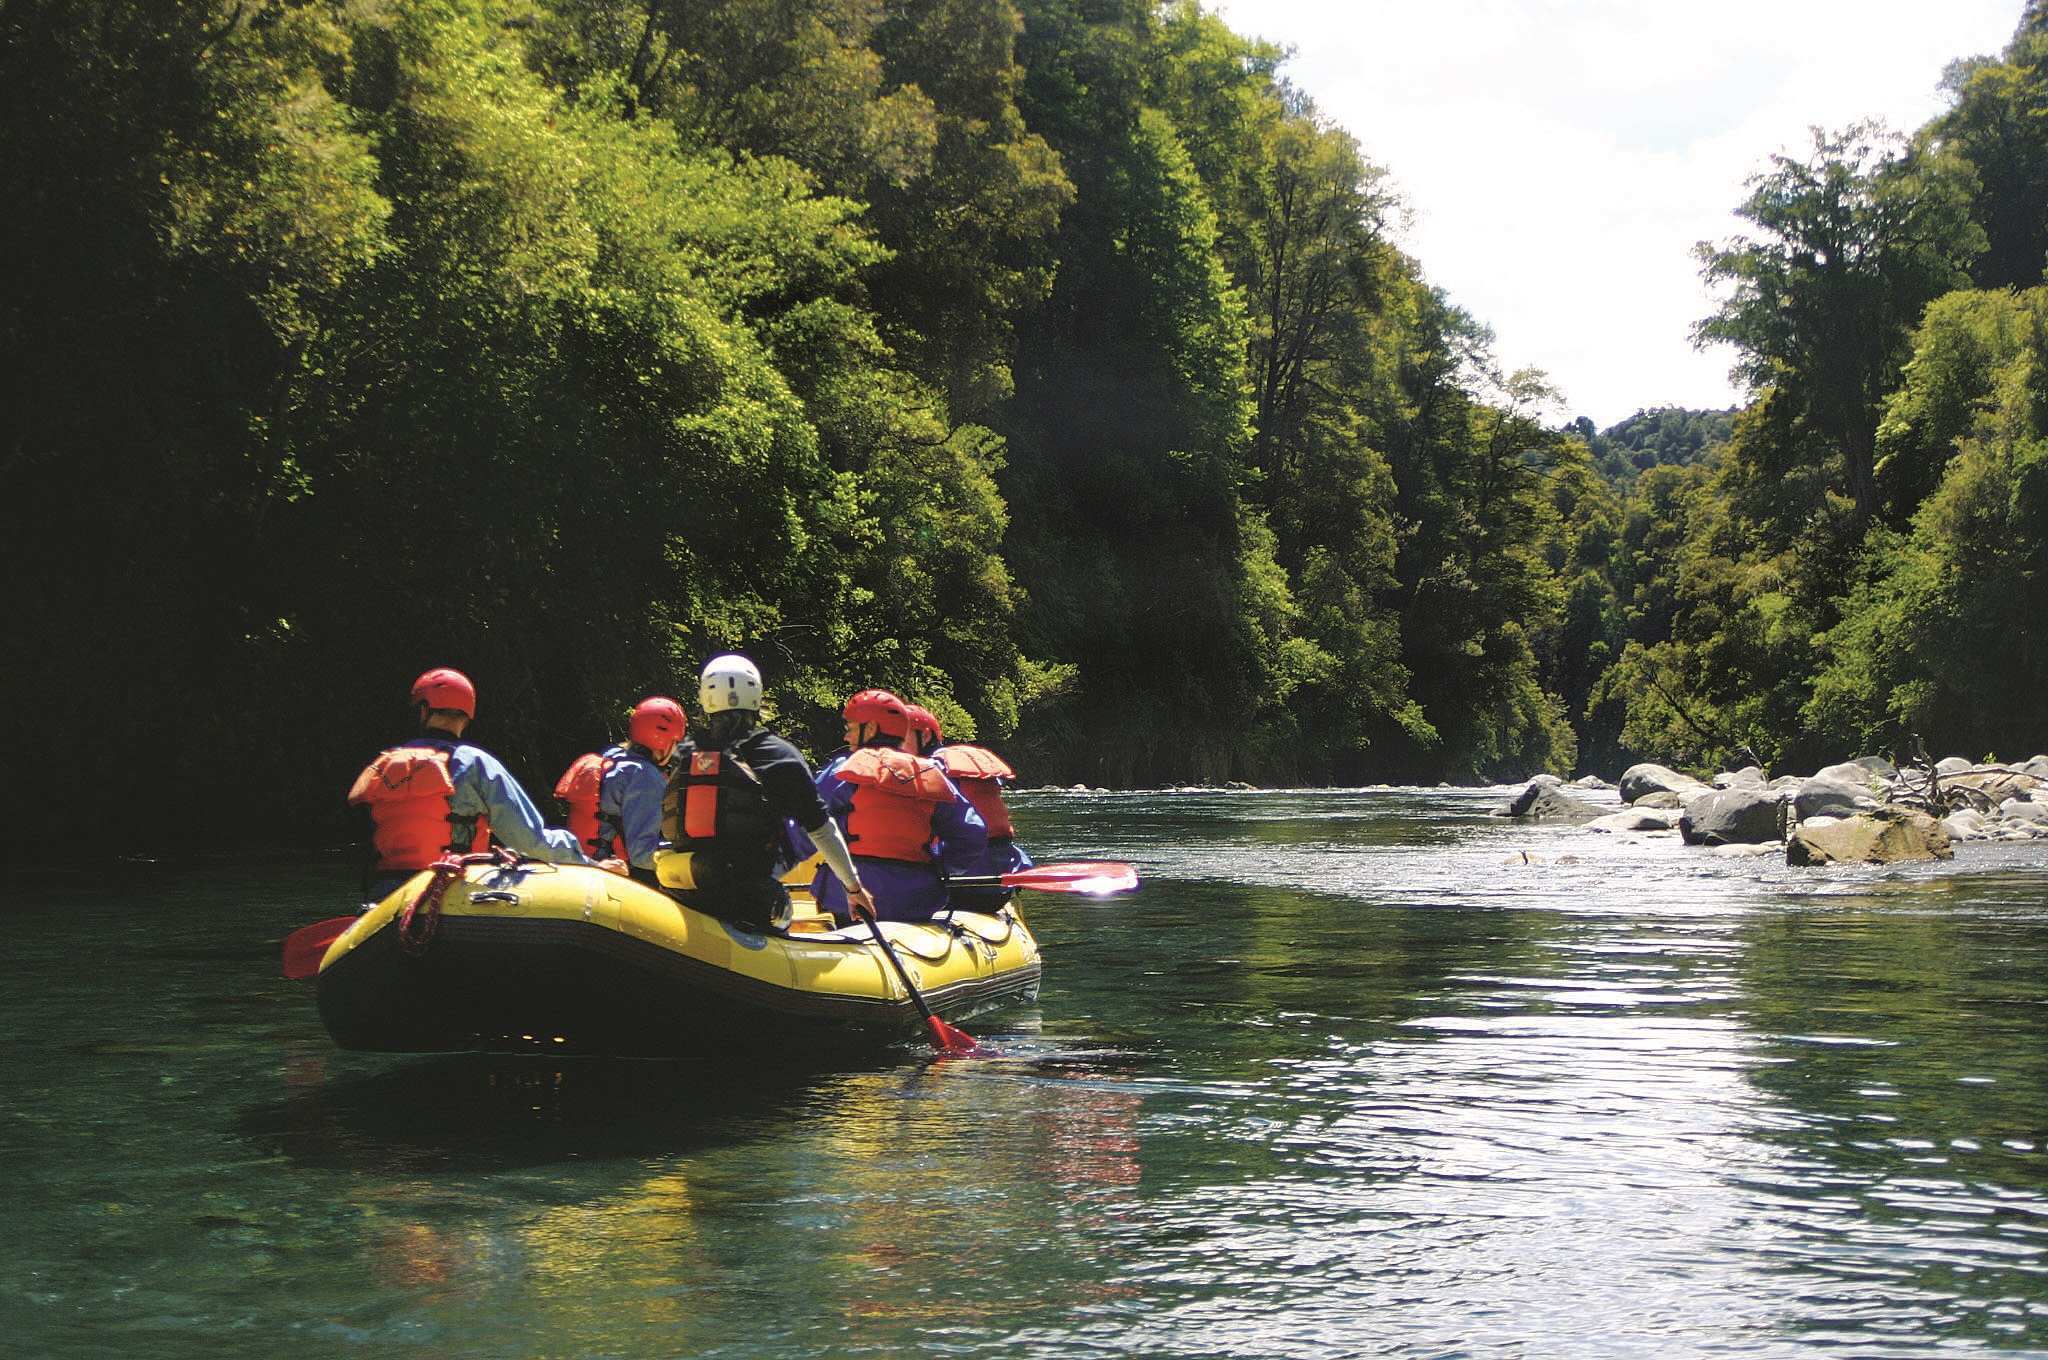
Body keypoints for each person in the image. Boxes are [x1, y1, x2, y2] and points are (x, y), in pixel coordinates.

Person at [656, 654, 875, 931]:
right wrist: (853, 888)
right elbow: (821, 829)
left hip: (680, 887)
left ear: (705, 698)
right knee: (780, 906)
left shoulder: (683, 753)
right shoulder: (779, 755)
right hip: (746, 898)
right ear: (756, 696)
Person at [347, 668, 597, 901]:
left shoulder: (384, 764)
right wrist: (586, 861)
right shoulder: (475, 763)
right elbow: (530, 841)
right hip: (451, 889)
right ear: (467, 716)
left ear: (423, 711)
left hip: (386, 895)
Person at [812, 690, 987, 925]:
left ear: (870, 729)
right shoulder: (929, 774)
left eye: (851, 728)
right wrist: (939, 867)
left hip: (849, 900)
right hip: (917, 900)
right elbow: (972, 835)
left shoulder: (843, 771)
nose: (846, 736)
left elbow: (805, 822)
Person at [907, 704, 1035, 913]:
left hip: (959, 889)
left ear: (926, 736)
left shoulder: (929, 771)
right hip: (999, 886)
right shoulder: (963, 764)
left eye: (900, 737)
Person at [555, 696, 686, 884]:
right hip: (609, 872)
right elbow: (642, 854)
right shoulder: (645, 776)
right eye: (675, 742)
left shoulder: (611, 756)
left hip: (578, 863)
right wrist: (684, 856)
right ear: (665, 741)